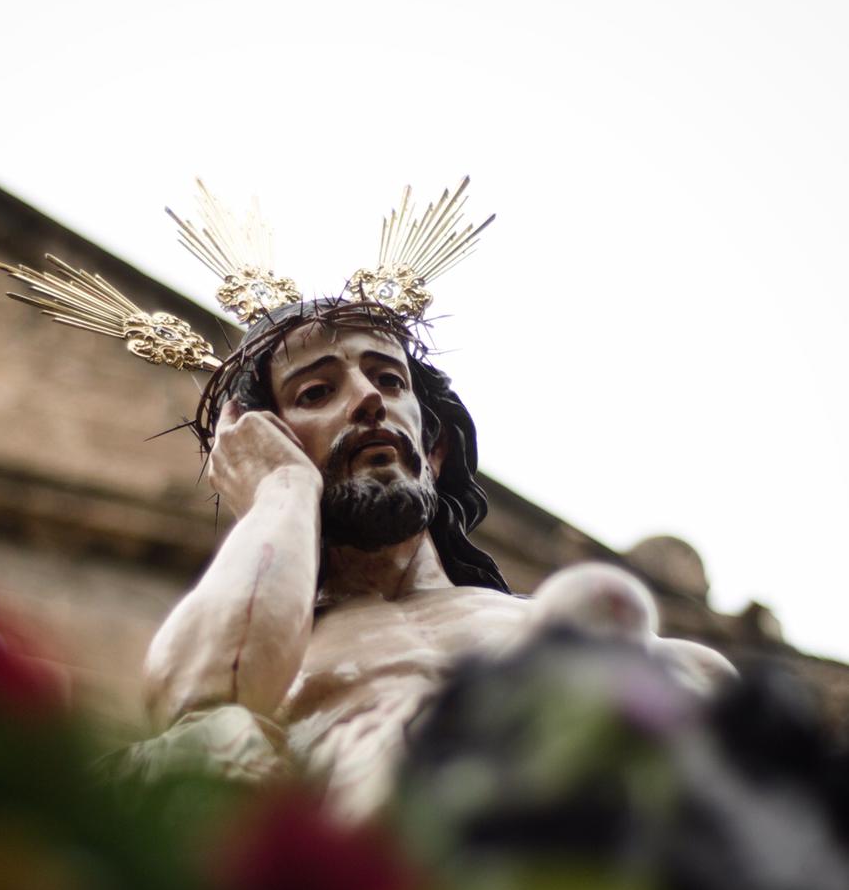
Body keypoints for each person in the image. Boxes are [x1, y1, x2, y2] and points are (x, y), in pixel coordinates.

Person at [142, 297, 734, 818]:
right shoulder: (267, 656)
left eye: (391, 381)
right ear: (265, 448)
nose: (369, 399)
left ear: (436, 447)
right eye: (317, 392)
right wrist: (282, 491)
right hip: (400, 884)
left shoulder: (557, 624)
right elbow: (199, 705)